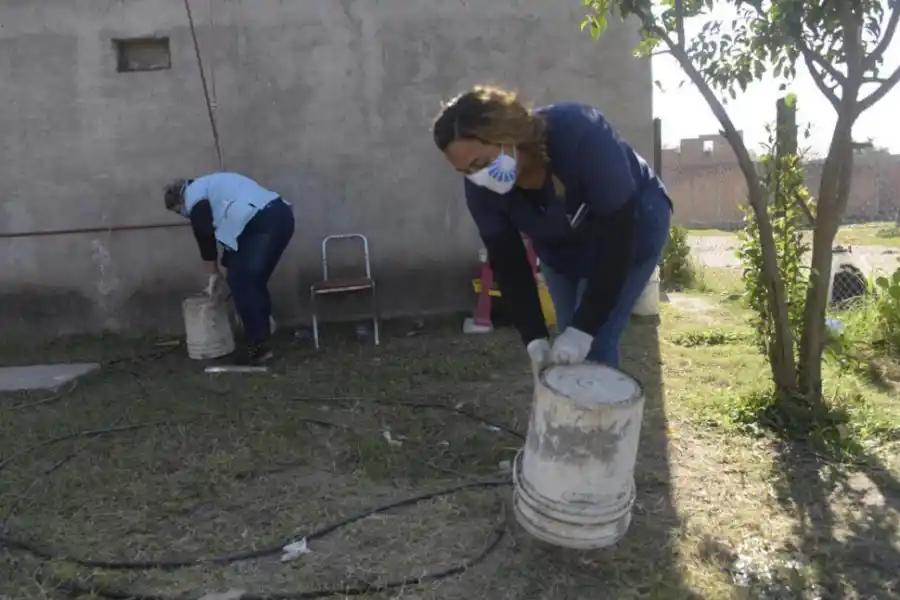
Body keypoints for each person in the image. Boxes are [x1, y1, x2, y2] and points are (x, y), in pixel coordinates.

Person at [432, 85, 672, 374]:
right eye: (466, 171)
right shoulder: (481, 189)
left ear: (508, 135)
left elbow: (618, 235)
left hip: (631, 226)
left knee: (594, 342)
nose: (478, 177)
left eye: (481, 164)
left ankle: (600, 418)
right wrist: (533, 336)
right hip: (560, 242)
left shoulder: (580, 132)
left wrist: (585, 328)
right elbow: (508, 262)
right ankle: (568, 415)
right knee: (566, 338)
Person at [164, 172, 295, 364]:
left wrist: (212, 274)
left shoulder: (194, 196)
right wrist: (223, 269)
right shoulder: (212, 188)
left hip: (261, 221)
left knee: (243, 282)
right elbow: (232, 246)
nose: (184, 215)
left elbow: (204, 236)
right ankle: (262, 327)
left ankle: (259, 347)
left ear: (180, 199)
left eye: (179, 211)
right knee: (249, 280)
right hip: (278, 216)